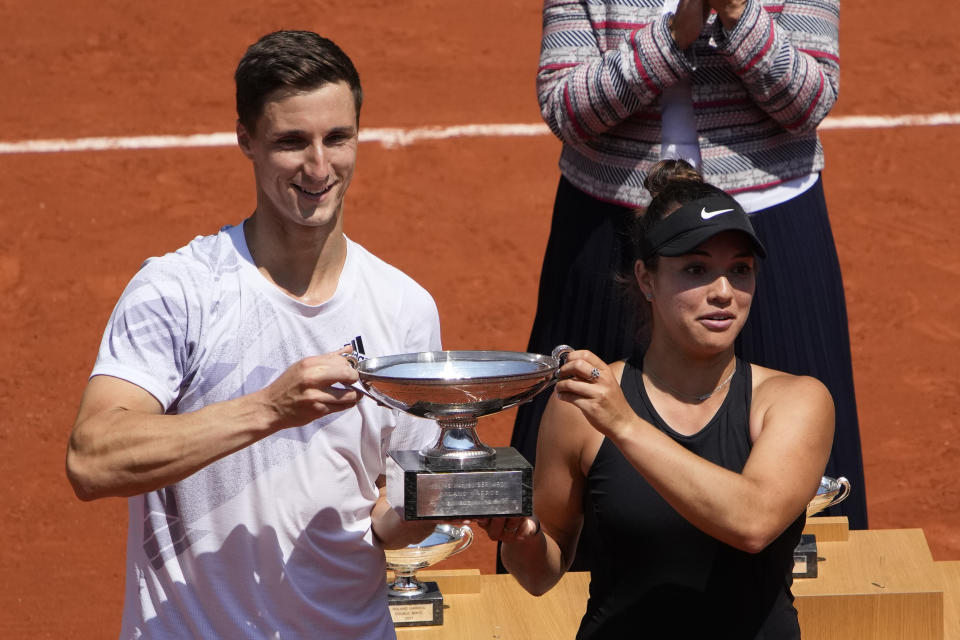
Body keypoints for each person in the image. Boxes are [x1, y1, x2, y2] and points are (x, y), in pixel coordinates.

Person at [65, 30, 441, 639]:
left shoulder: (405, 308)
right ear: (246, 140)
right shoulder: (179, 290)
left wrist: (445, 489)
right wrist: (269, 408)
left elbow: (388, 522)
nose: (320, 168)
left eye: (337, 139)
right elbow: (91, 458)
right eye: (292, 143)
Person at [511, 0, 867, 536]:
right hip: (613, 222)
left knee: (805, 472)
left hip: (768, 223)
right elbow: (567, 109)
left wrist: (738, 15)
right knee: (581, 439)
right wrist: (671, 37)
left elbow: (808, 102)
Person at [483, 160, 834, 638]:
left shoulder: (795, 401)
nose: (724, 292)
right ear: (646, 279)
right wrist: (522, 537)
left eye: (740, 270)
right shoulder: (582, 407)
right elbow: (540, 574)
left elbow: (753, 522)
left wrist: (624, 424)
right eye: (696, 269)